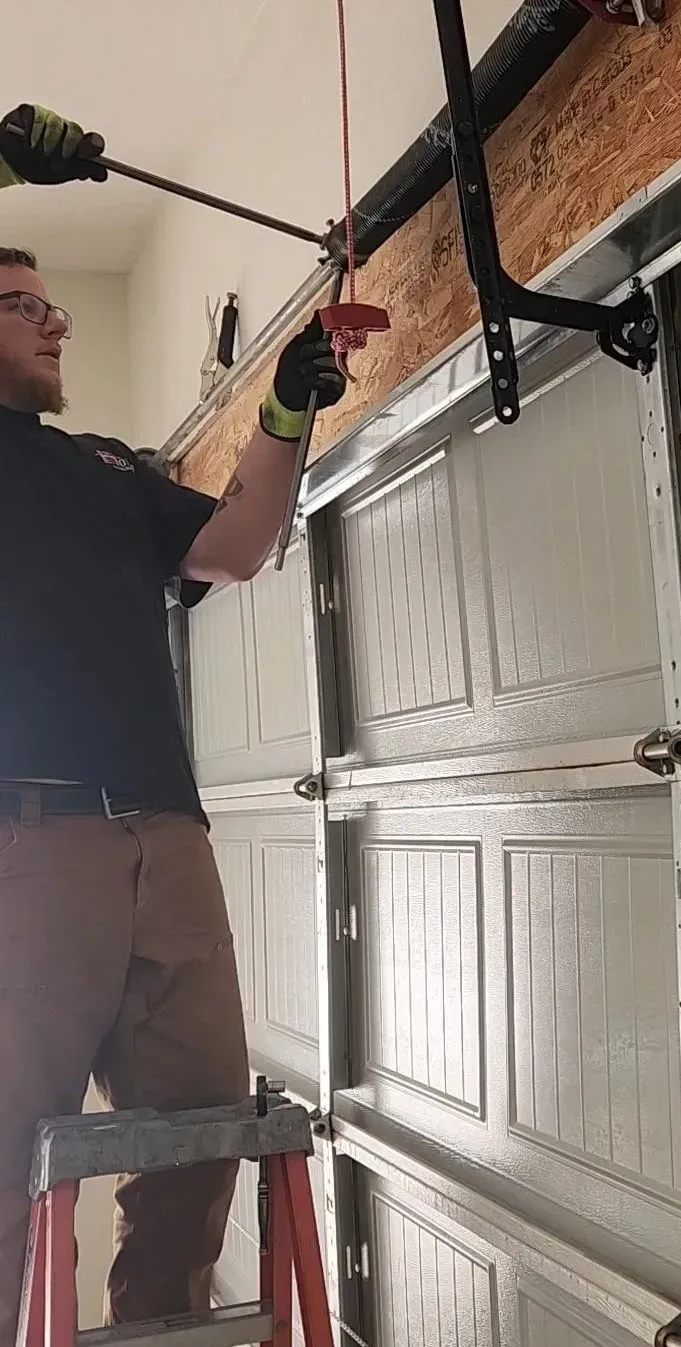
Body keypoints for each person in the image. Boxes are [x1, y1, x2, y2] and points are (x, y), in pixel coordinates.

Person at [0, 104, 346, 1344]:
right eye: (20, 304)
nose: (55, 318)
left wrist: (286, 413)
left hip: (169, 845)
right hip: (25, 848)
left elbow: (241, 545)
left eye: (52, 300)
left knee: (199, 1145)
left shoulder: (102, 469)